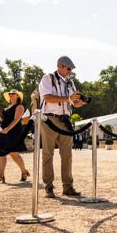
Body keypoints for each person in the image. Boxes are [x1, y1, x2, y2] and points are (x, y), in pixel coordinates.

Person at [39, 56, 86, 198]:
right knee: (48, 154)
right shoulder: (48, 78)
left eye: (71, 69)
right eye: (69, 68)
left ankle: (68, 187)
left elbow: (74, 103)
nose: (70, 71)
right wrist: (69, 99)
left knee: (67, 155)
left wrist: (81, 102)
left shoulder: (70, 82)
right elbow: (47, 97)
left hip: (66, 121)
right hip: (50, 119)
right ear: (60, 66)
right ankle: (48, 187)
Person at [0, 89, 30, 184]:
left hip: (14, 131)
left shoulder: (20, 106)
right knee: (1, 153)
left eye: (13, 93)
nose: (11, 94)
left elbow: (16, 120)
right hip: (4, 130)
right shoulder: (7, 107)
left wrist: (7, 129)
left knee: (14, 154)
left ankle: (24, 171)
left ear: (18, 96)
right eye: (10, 93)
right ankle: (1, 176)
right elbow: (4, 120)